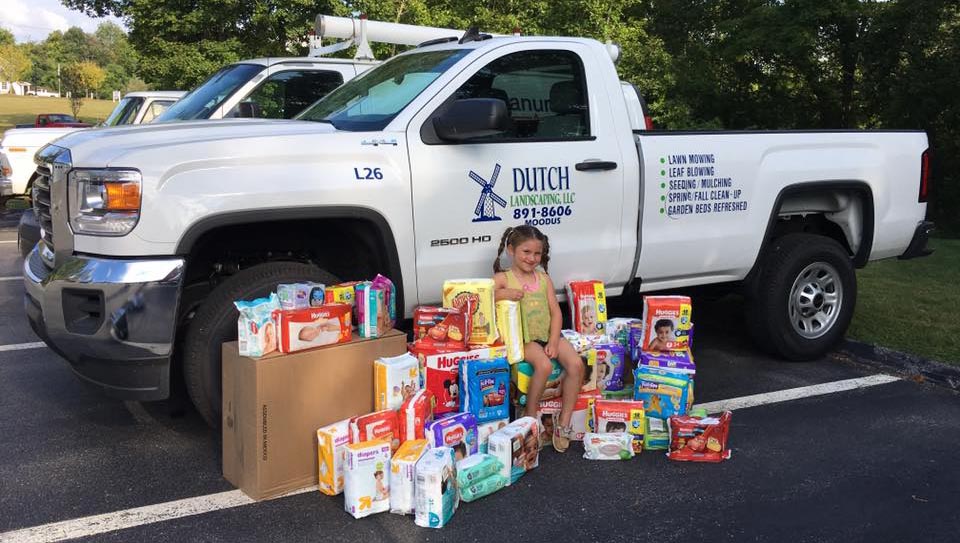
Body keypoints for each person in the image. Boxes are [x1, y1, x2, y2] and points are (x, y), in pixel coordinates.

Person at [493, 225, 583, 453]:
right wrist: (504, 294)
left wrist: (553, 341)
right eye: (526, 252)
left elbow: (556, 312)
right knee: (542, 364)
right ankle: (530, 417)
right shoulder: (503, 278)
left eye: (537, 253)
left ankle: (564, 423)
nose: (532, 258)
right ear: (511, 250)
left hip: (546, 334)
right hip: (523, 339)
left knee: (576, 364)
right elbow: (482, 296)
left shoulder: (543, 280)